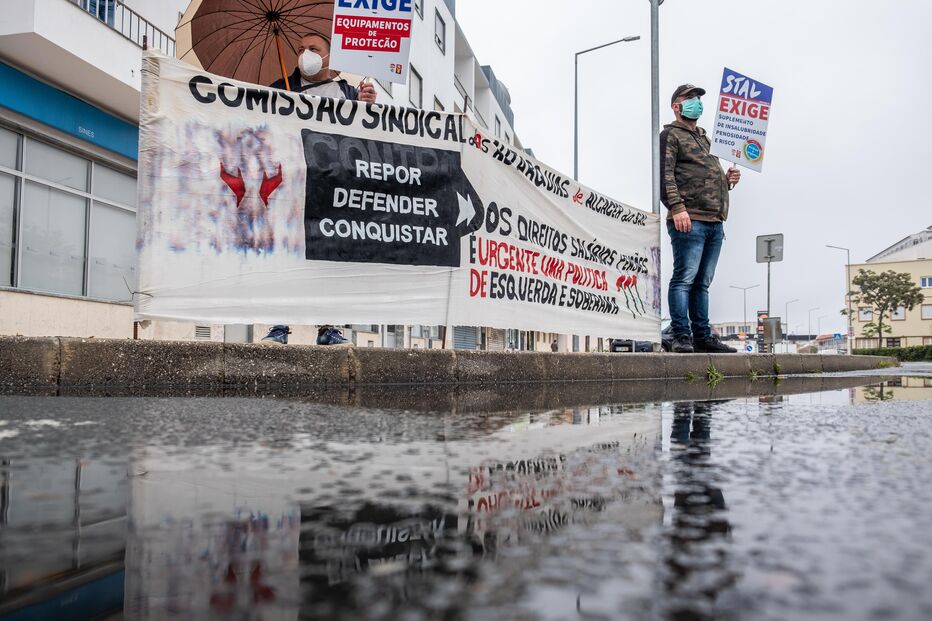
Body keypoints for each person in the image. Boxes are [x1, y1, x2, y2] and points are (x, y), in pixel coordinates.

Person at [262, 33, 377, 346]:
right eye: (300, 49)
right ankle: (278, 326)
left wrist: (367, 107)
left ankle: (328, 328)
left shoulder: (348, 92)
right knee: (287, 254)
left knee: (328, 258)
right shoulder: (281, 88)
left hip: (333, 186)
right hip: (293, 185)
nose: (305, 54)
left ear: (330, 56)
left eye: (313, 49)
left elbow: (363, 136)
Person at [661, 84, 741, 354]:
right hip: (689, 218)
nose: (696, 102)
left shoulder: (706, 139)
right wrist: (677, 207)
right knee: (684, 277)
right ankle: (681, 336)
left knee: (702, 282)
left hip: (714, 220)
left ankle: (703, 336)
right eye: (689, 98)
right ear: (676, 106)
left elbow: (703, 176)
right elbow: (665, 174)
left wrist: (726, 181)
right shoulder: (671, 135)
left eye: (698, 98)